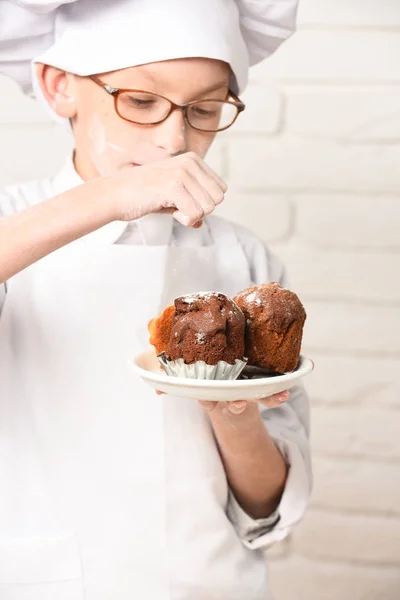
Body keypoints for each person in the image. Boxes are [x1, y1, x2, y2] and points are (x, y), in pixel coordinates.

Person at [0, 1, 311, 598]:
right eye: (141, 103)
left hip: (210, 581)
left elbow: (265, 502)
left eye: (204, 109)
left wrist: (233, 410)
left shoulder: (246, 263)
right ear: (58, 85)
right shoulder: (16, 226)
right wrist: (113, 197)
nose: (176, 139)